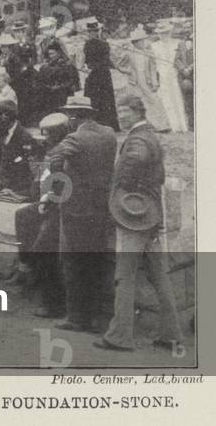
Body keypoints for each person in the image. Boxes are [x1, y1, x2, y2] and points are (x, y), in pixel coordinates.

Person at [95, 96, 184, 353]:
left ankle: (120, 336)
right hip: (152, 215)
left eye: (125, 112)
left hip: (133, 216)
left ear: (137, 112)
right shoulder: (150, 134)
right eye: (119, 111)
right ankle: (171, 334)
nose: (121, 116)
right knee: (159, 276)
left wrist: (121, 182)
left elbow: (136, 159)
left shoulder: (139, 138)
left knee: (124, 275)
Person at [47, 95, 117, 334]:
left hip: (76, 209)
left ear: (74, 116)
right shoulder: (109, 134)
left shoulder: (74, 137)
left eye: (69, 115)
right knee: (97, 262)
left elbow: (54, 161)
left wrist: (60, 179)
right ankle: (100, 318)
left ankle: (77, 318)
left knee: (74, 262)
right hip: (102, 207)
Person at [10, 113, 71, 319]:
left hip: (60, 208)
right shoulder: (51, 152)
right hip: (50, 204)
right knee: (22, 215)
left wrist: (45, 199)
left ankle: (53, 304)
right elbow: (39, 185)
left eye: (48, 134)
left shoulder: (62, 152)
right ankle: (25, 266)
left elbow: (59, 185)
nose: (44, 138)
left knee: (43, 249)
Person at [114, 27, 169, 131]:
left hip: (145, 79)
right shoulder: (129, 53)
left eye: (143, 41)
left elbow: (153, 69)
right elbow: (118, 65)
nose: (143, 43)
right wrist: (128, 71)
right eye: (140, 41)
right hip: (134, 81)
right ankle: (141, 125)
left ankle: (160, 125)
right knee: (136, 102)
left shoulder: (148, 53)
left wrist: (154, 82)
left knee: (153, 100)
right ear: (135, 42)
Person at [151, 23, 188, 132]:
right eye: (161, 33)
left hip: (174, 74)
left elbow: (181, 59)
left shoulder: (177, 44)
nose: (164, 35)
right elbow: (153, 64)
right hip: (162, 75)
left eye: (166, 33)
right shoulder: (154, 46)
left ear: (170, 32)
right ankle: (174, 126)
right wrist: (155, 79)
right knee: (167, 100)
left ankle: (183, 126)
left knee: (178, 99)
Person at [83, 37, 119, 131]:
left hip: (100, 74)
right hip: (100, 74)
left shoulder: (99, 45)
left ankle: (104, 123)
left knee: (103, 100)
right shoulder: (92, 44)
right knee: (102, 100)